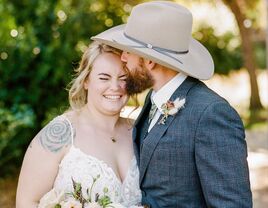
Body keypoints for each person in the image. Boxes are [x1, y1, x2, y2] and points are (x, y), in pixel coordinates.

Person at [92, 1, 252, 207]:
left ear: (150, 61)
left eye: (129, 51)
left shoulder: (211, 114)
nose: (123, 58)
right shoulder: (154, 98)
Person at [16, 42, 142, 207]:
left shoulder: (139, 132)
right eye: (104, 78)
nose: (115, 87)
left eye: (123, 78)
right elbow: (26, 202)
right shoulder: (59, 134)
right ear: (86, 81)